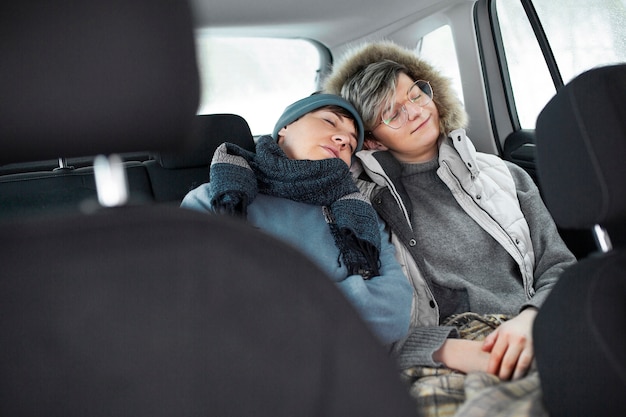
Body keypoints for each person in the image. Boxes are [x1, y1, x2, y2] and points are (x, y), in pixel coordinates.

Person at [323, 41, 577, 381]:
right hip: (446, 358)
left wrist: (532, 317)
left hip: (536, 324)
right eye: (392, 113)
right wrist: (445, 351)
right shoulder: (363, 208)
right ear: (373, 141)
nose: (415, 111)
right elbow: (364, 325)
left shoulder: (502, 174)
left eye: (415, 94)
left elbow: (558, 264)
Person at [180, 93, 413, 346]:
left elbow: (393, 313)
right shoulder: (216, 200)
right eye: (329, 121)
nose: (344, 139)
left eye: (353, 141)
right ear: (285, 127)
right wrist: (351, 299)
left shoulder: (359, 216)